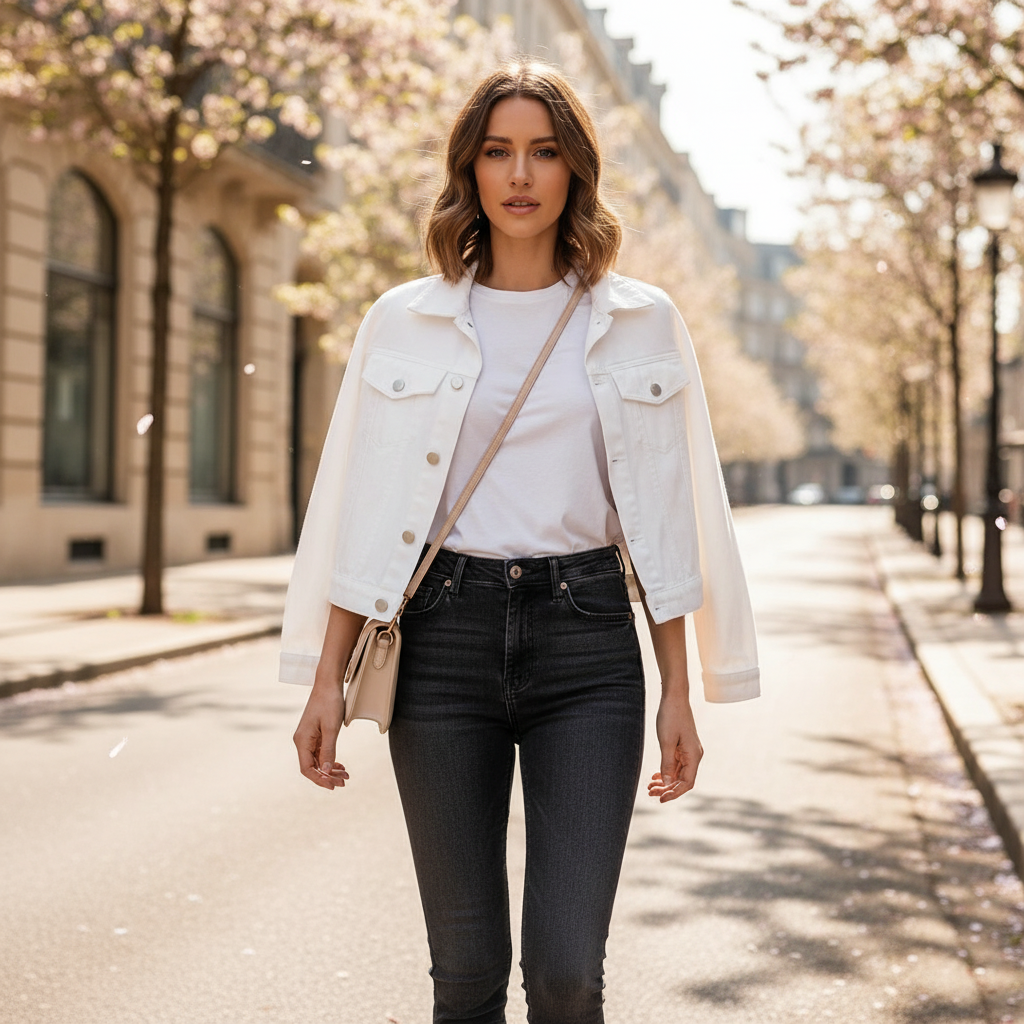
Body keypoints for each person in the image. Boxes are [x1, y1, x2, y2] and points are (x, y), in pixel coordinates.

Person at [281, 59, 759, 1024]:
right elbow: (360, 511)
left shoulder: (641, 322)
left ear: (575, 169)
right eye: (497, 152)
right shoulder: (402, 323)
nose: (520, 174)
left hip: (587, 644)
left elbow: (668, 516)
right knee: (464, 975)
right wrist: (324, 679)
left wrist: (680, 688)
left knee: (568, 972)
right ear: (470, 169)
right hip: (442, 643)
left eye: (543, 152)